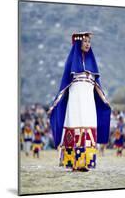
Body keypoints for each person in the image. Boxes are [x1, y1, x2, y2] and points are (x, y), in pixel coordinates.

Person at [49, 32, 111, 171]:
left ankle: (85, 162)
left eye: (89, 41)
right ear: (79, 43)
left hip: (89, 103)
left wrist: (105, 101)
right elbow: (64, 86)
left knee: (87, 128)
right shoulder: (71, 63)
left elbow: (97, 86)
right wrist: (55, 104)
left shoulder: (92, 66)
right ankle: (73, 163)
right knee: (75, 127)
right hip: (75, 102)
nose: (88, 44)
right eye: (85, 41)